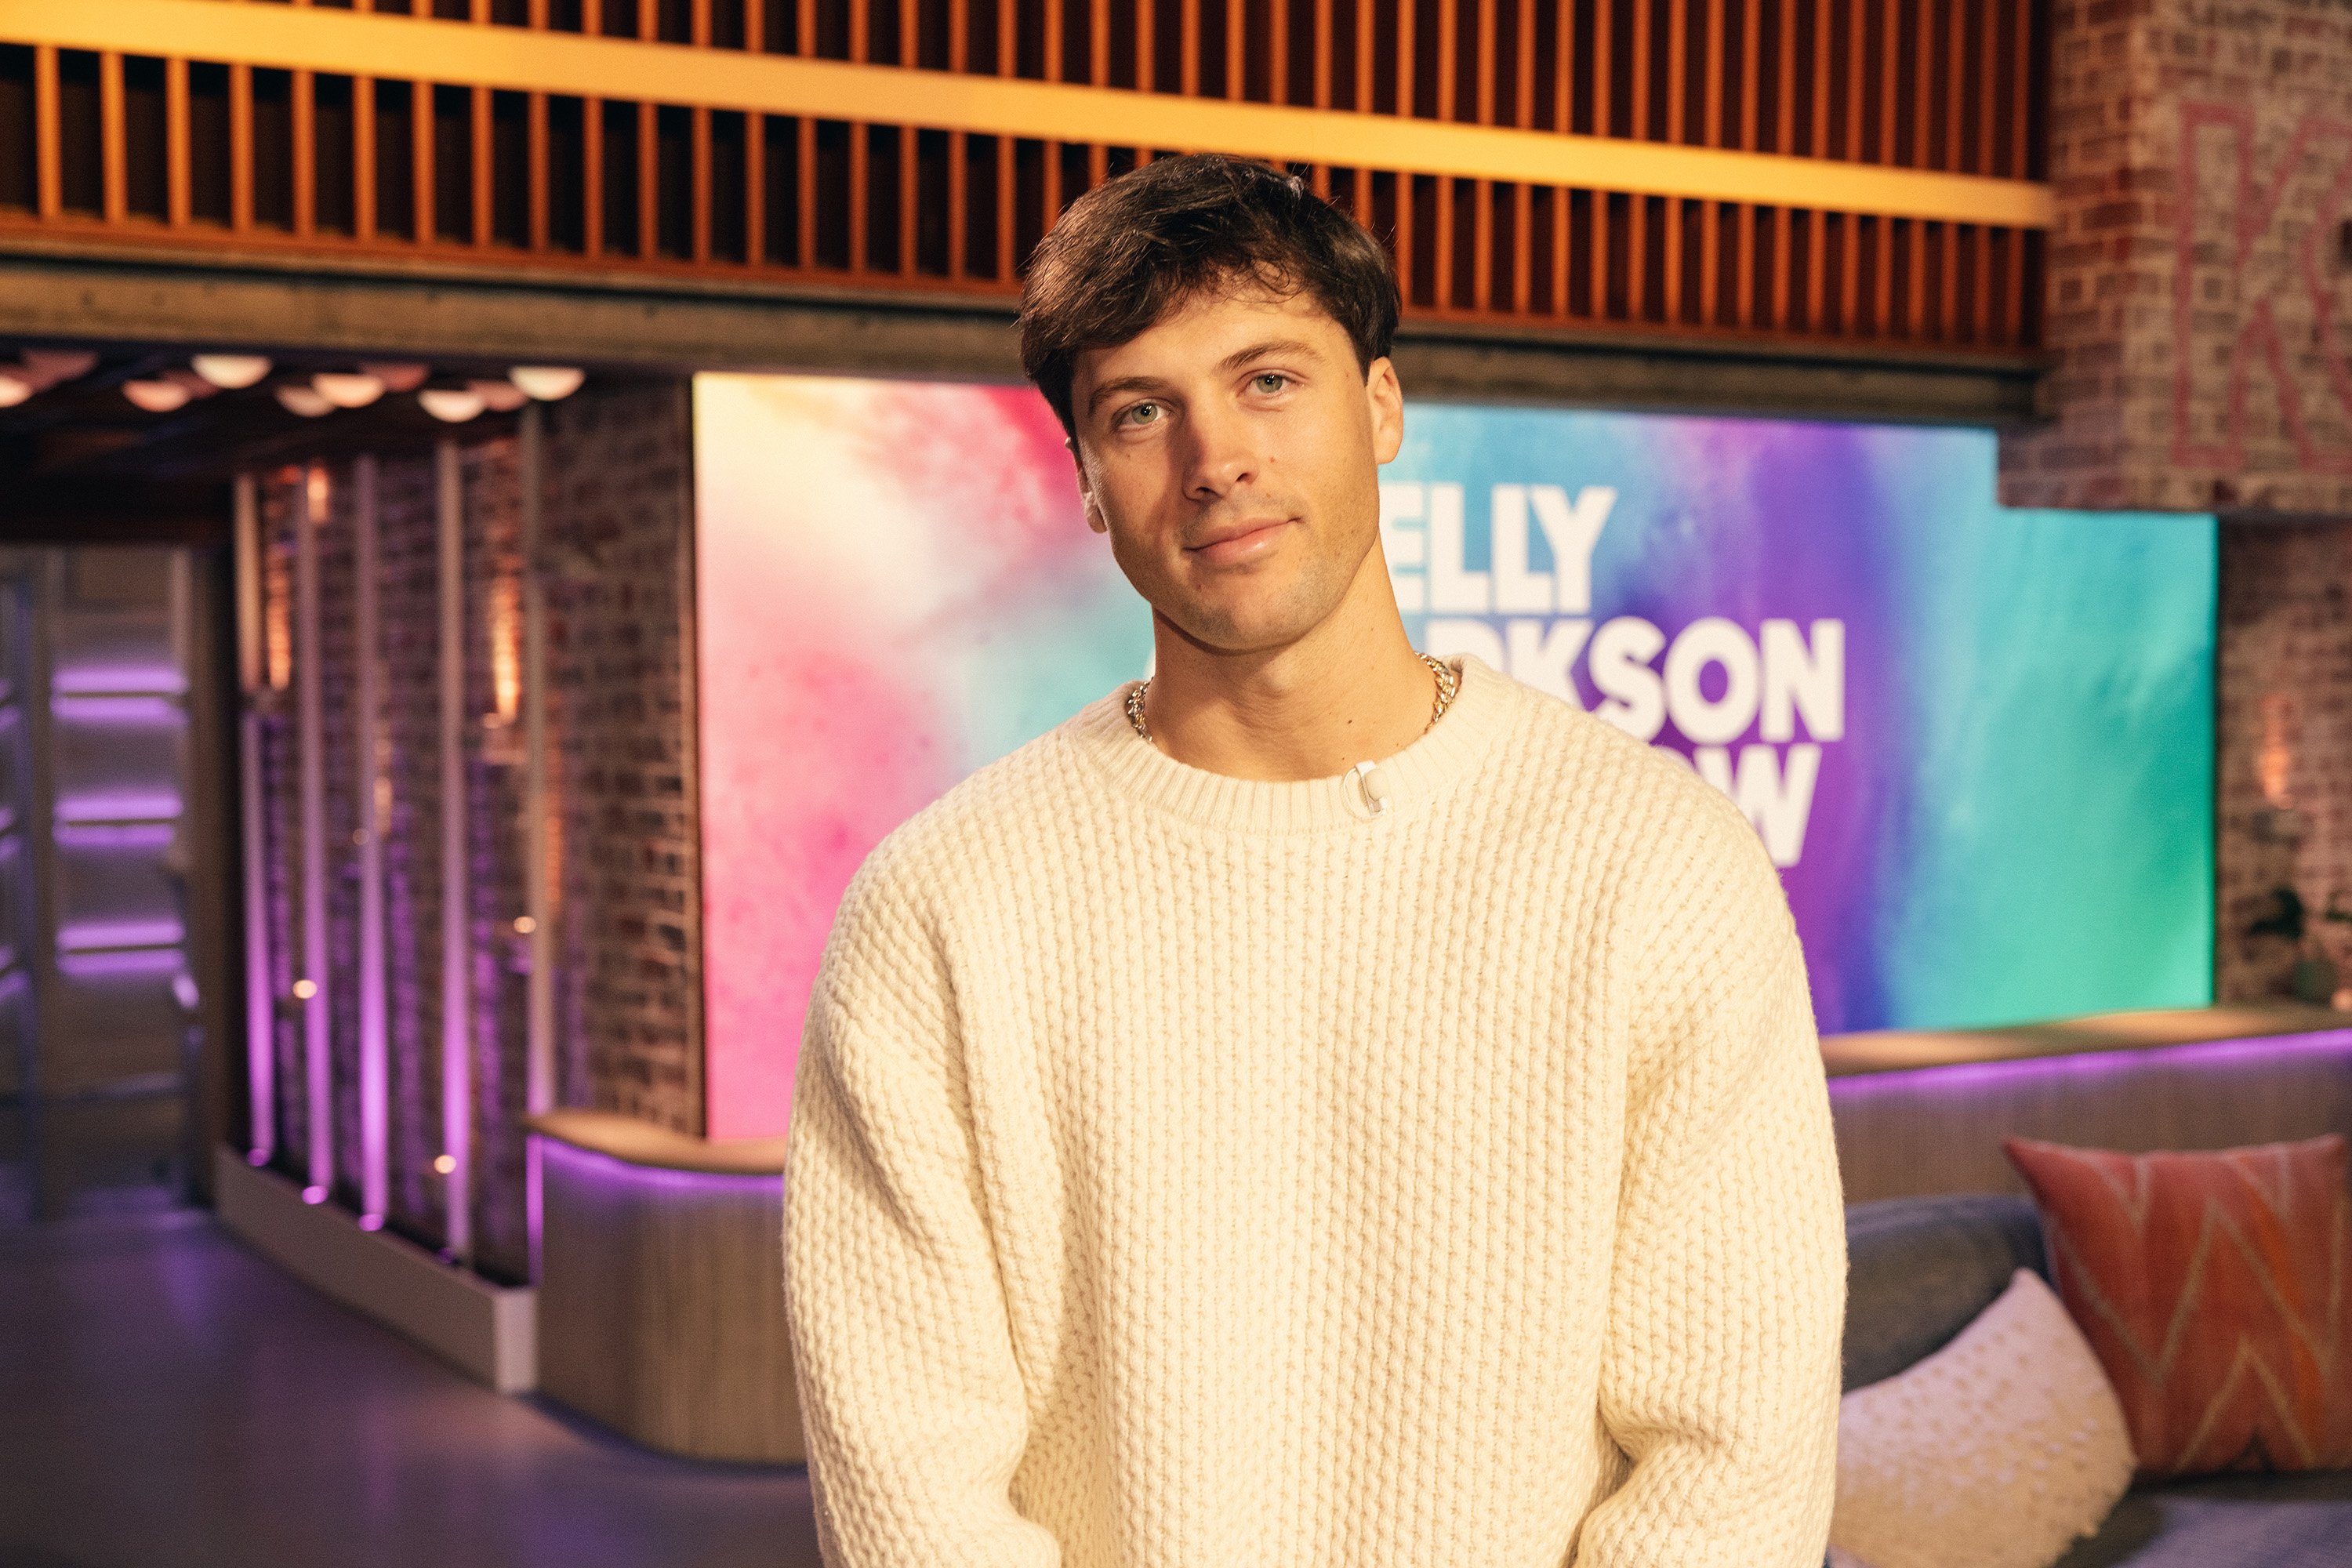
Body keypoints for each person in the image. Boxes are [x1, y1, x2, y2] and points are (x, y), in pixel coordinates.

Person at [783, 152, 1845, 1567]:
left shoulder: (1653, 863)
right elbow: (914, 1495)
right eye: (1140, 411)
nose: (1216, 459)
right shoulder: (940, 914)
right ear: (1090, 481)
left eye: (1269, 379)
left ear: (1383, 406)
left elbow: (1734, 1461)